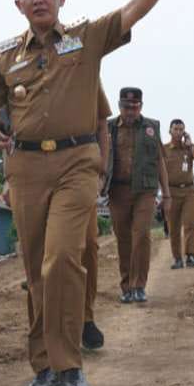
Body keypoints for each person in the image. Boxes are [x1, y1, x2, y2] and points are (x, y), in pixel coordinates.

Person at [0, 0, 194, 386]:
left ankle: (68, 365)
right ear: (18, 4)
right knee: (36, 268)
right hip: (25, 169)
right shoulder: (5, 57)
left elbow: (129, 13)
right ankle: (43, 365)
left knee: (63, 257)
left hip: (76, 164)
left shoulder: (86, 39)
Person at [105, 87, 169, 304]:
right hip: (117, 190)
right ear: (119, 106)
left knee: (141, 236)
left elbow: (160, 161)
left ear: (140, 106)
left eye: (134, 107)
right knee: (123, 239)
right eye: (126, 107)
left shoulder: (152, 127)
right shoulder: (108, 127)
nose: (130, 111)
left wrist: (166, 195)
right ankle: (126, 287)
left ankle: (139, 286)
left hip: (145, 190)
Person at [81, 83, 114, 350]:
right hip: (36, 173)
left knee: (88, 246)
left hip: (80, 173)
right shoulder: (26, 66)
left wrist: (101, 171)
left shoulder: (87, 73)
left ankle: (85, 318)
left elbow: (102, 125)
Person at [162, 119, 194, 269]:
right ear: (170, 131)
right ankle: (177, 259)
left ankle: (190, 256)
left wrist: (191, 145)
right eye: (176, 129)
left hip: (189, 191)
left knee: (190, 224)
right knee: (173, 227)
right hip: (171, 192)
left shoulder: (189, 148)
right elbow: (158, 171)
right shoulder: (164, 149)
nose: (178, 132)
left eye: (181, 130)